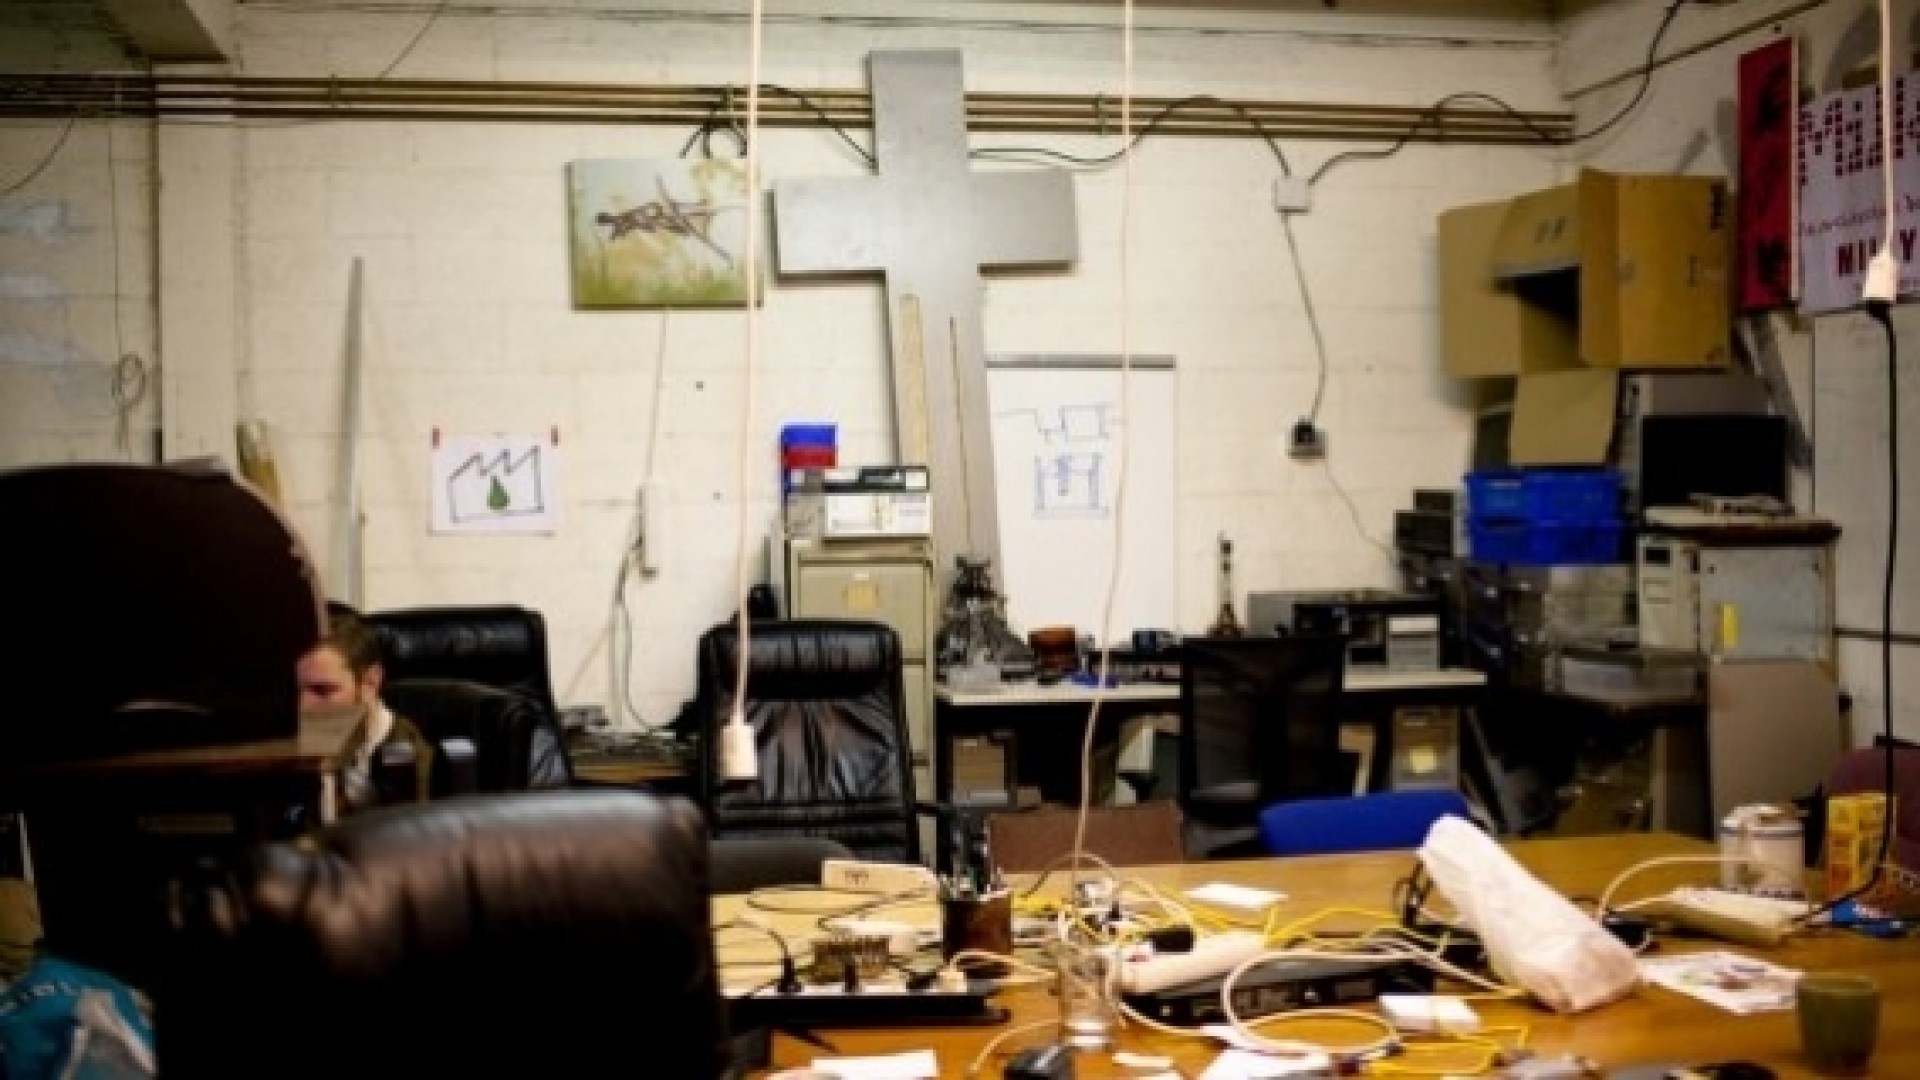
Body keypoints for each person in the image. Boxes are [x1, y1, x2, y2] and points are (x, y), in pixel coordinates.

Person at [298, 602, 433, 808]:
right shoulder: (294, 745)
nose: (302, 706)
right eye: (297, 690)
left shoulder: (407, 759)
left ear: (370, 683)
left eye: (323, 690)